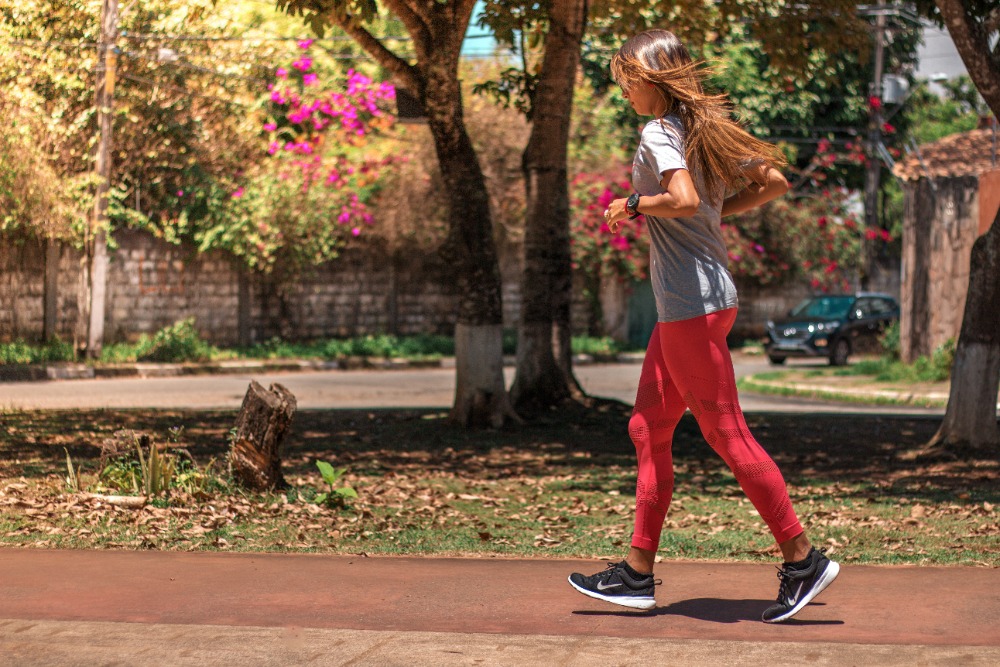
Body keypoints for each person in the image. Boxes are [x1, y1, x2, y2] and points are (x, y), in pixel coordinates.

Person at [567, 29, 839, 624]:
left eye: (627, 78)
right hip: (696, 303)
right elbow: (772, 182)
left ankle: (803, 559)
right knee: (647, 427)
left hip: (691, 305)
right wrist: (714, 212)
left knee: (727, 436)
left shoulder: (661, 131)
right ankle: (636, 575)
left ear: (652, 78)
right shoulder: (704, 131)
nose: (623, 90)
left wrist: (633, 205)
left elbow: (684, 198)